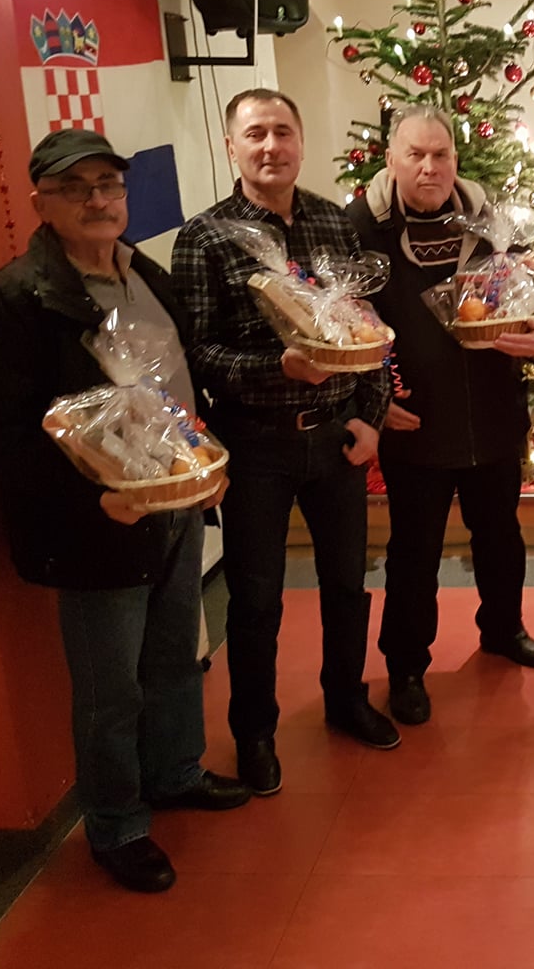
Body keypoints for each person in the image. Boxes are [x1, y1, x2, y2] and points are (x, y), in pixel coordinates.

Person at [0, 129, 251, 894]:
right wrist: (97, 498)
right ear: (41, 203)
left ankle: (176, 770)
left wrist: (204, 461)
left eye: (108, 185)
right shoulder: (13, 300)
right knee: (109, 686)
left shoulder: (143, 272)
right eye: (77, 188)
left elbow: (179, 388)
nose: (97, 200)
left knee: (177, 652)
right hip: (97, 525)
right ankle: (118, 823)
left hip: (176, 502)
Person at [172, 88, 400, 797]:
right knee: (255, 600)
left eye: (282, 131)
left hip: (335, 440)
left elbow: (366, 329)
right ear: (232, 146)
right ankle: (255, 732)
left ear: (300, 142)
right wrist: (278, 367)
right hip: (256, 446)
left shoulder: (333, 222)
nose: (270, 146)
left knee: (346, 585)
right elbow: (197, 352)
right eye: (255, 134)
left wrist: (370, 416)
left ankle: (346, 698)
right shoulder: (205, 238)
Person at [346, 106, 534, 727]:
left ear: (455, 160)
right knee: (414, 553)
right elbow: (342, 323)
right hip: (414, 421)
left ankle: (504, 629)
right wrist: (374, 401)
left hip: (492, 413)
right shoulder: (359, 227)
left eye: (440, 154)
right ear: (391, 159)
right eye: (415, 154)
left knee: (501, 537)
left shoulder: (493, 222)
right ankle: (407, 665)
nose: (429, 167)